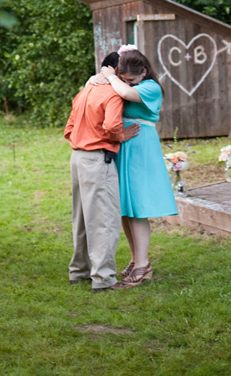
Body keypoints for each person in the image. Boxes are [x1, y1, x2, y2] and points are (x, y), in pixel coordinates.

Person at [93, 47, 177, 285]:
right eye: (123, 77)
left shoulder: (151, 88)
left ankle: (143, 264)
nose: (125, 82)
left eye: (130, 79)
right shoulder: (126, 83)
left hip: (140, 147)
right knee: (125, 208)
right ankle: (136, 258)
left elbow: (126, 94)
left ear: (143, 72)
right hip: (126, 146)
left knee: (138, 207)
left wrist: (110, 76)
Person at [64, 54, 140, 292]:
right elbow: (112, 126)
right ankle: (104, 278)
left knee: (83, 218)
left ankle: (79, 271)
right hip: (98, 160)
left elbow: (69, 128)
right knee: (104, 220)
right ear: (117, 70)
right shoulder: (112, 94)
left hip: (77, 158)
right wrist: (120, 136)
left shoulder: (86, 90)